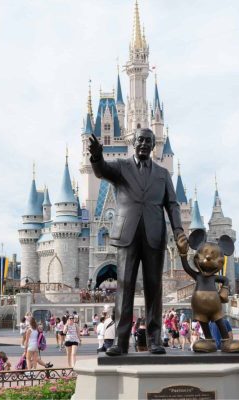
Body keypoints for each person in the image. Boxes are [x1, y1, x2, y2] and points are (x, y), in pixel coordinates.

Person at [89, 128, 188, 356]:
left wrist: (179, 230)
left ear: (154, 145)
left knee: (154, 288)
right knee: (124, 287)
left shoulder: (163, 174)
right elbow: (101, 170)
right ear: (134, 143)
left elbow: (172, 204)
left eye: (148, 141)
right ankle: (120, 342)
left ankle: (154, 340)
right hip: (127, 234)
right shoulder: (122, 166)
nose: (143, 144)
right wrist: (96, 156)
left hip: (154, 234)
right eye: (140, 140)